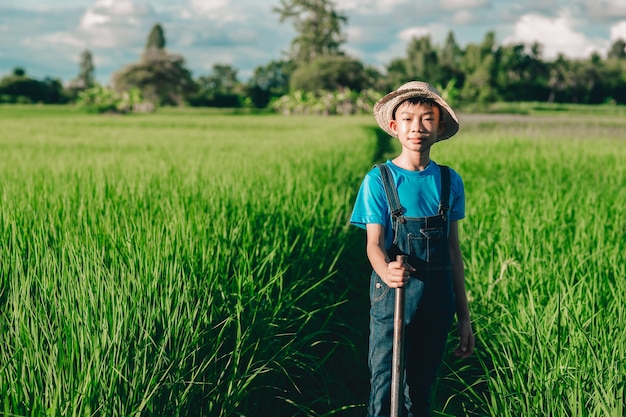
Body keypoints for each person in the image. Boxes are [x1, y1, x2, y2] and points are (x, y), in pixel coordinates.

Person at [350, 81, 475, 417]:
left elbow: (453, 251)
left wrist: (464, 316)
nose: (417, 128)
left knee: (421, 386)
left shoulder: (450, 180)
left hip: (438, 298)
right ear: (394, 127)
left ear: (441, 126)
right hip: (393, 295)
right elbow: (373, 244)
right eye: (407, 119)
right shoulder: (379, 179)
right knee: (385, 381)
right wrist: (385, 270)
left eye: (427, 119)